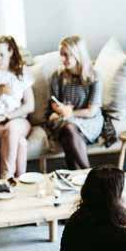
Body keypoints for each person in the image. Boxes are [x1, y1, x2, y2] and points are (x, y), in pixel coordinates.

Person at [46, 35, 103, 170]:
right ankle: (88, 173)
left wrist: (71, 112)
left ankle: (82, 174)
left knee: (68, 132)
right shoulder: (57, 75)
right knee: (69, 129)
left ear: (78, 55)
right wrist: (61, 110)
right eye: (61, 55)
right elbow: (53, 103)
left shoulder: (94, 76)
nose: (62, 59)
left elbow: (91, 111)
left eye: (66, 55)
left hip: (88, 120)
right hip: (64, 118)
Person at [0, 36, 34, 180]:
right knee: (20, 142)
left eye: (1, 54)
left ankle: (6, 178)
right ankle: (20, 180)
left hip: (18, 121)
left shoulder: (21, 72)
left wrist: (8, 116)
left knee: (12, 129)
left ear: (11, 51)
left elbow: (30, 105)